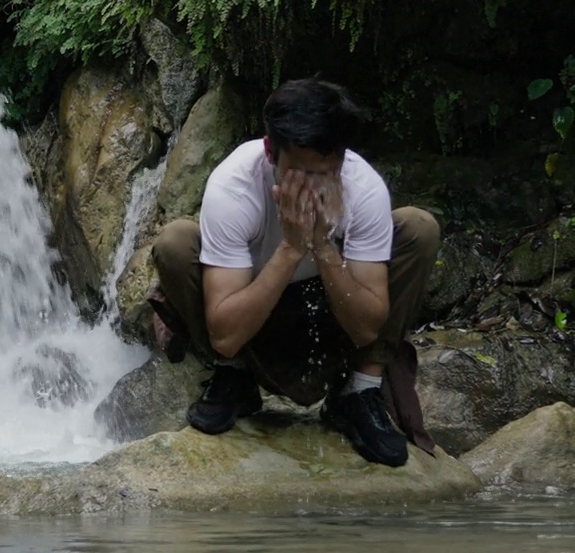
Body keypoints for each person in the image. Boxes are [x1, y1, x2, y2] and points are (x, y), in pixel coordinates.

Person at [148, 77, 440, 467]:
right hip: (255, 315)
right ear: (271, 152)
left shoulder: (362, 187)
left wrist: (322, 247)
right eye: (301, 173)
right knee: (175, 242)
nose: (314, 189)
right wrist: (291, 247)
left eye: (327, 173)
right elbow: (225, 334)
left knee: (419, 227)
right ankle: (233, 379)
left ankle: (360, 390)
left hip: (331, 312)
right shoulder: (234, 186)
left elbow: (367, 327)